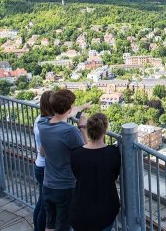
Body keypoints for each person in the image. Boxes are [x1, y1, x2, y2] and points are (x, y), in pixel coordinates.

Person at [39, 90, 87, 231]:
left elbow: (42, 152)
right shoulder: (70, 131)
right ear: (70, 108)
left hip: (48, 184)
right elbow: (85, 153)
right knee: (64, 226)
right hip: (65, 186)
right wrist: (82, 127)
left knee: (50, 224)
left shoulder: (43, 124)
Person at [70, 113, 121, 231]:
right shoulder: (113, 153)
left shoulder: (76, 154)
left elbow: (78, 174)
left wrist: (82, 129)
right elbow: (114, 175)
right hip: (106, 210)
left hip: (80, 211)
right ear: (105, 130)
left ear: (88, 129)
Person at [33, 90, 53, 231]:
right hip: (45, 168)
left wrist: (82, 107)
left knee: (41, 203)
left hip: (39, 165)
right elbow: (43, 151)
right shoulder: (47, 125)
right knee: (46, 207)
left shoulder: (40, 118)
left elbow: (68, 112)